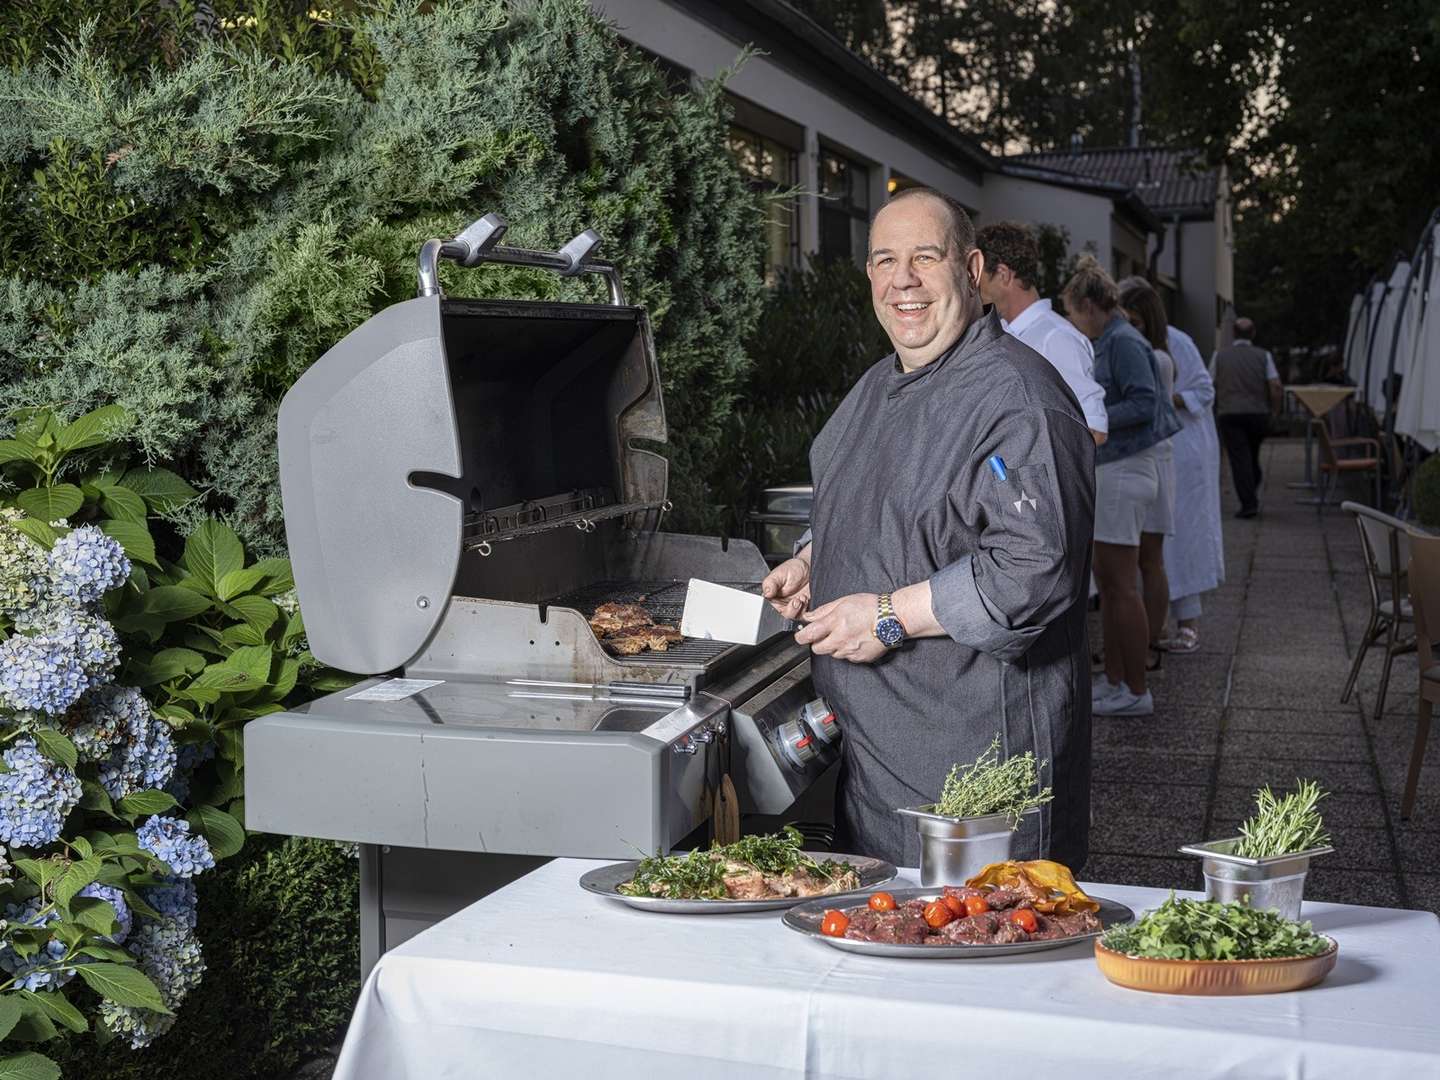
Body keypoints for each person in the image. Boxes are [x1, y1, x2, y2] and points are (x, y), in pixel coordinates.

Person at [760, 187, 1096, 870]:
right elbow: (890, 503)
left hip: (973, 772)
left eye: (924, 257)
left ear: (972, 271)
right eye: (885, 260)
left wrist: (886, 617)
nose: (902, 280)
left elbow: (1035, 568)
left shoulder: (1017, 400)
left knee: (982, 949)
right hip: (879, 768)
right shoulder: (876, 388)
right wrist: (815, 558)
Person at [1063, 257, 1180, 717]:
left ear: (1092, 306)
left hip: (1124, 471)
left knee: (1120, 587)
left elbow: (1147, 405)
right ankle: (1116, 681)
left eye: (1074, 313)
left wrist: (1089, 418)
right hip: (1119, 470)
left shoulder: (1124, 342)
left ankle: (1135, 689)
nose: (1073, 322)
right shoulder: (1113, 338)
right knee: (1112, 588)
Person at [1119, 281, 1225, 654]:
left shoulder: (1178, 343)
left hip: (1183, 449)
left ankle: (1188, 621)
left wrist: (1165, 398)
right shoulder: (1122, 343)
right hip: (1145, 451)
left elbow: (1204, 390)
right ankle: (1152, 624)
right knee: (1150, 546)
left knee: (1182, 538)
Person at [975, 221, 1109, 444]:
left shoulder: (1057, 338)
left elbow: (1094, 431)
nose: (975, 289)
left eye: (978, 280)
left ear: (1003, 275)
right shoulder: (1002, 333)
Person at [1118, 281, 1177, 666]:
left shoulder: (1152, 357)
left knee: (1147, 560)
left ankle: (1149, 641)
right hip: (1154, 460)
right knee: (1141, 561)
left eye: (1134, 321)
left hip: (1149, 459)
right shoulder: (1156, 355)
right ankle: (1143, 640)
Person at [1210, 317, 1282, 519]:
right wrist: (1274, 412)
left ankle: (1248, 502)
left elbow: (1209, 384)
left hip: (1230, 413)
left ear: (1233, 334)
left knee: (1240, 459)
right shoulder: (1264, 356)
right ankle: (1250, 490)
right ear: (1253, 333)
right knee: (1252, 454)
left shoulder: (1220, 356)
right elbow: (1275, 386)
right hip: (1258, 414)